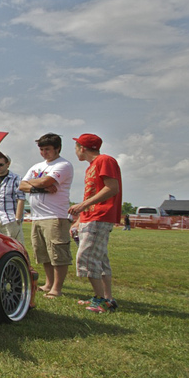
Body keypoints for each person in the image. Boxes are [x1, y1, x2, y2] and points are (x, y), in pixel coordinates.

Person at [68, 133, 123, 313]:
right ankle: (107, 298)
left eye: (76, 147)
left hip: (100, 216)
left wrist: (82, 205)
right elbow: (91, 194)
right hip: (91, 217)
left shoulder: (104, 160)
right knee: (100, 259)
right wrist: (79, 220)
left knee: (87, 258)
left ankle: (100, 301)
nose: (75, 151)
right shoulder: (91, 166)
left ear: (82, 148)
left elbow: (112, 188)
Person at [19, 133, 74, 299]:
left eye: (47, 149)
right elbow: (21, 185)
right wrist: (39, 188)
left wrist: (37, 184)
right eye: (41, 149)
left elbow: (45, 181)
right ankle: (48, 284)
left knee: (58, 253)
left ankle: (57, 288)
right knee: (43, 254)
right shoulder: (37, 166)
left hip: (55, 216)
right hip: (37, 217)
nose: (44, 153)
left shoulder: (63, 165)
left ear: (58, 148)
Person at [0, 151, 25, 246]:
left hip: (10, 219)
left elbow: (21, 199)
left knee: (15, 246)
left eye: (0, 164)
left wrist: (17, 219)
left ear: (8, 164)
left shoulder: (16, 179)